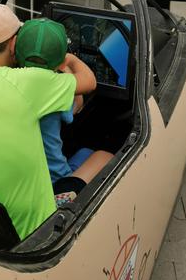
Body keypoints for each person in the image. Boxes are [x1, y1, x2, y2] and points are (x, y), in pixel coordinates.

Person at [0, 2, 96, 240]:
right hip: (35, 226)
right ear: (14, 44)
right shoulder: (28, 82)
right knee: (103, 157)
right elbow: (89, 81)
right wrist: (67, 58)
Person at [15, 18, 113, 196]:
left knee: (85, 151)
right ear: (60, 61)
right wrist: (68, 64)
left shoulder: (5, 82)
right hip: (54, 182)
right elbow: (78, 104)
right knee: (105, 155)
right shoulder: (54, 91)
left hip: (22, 181)